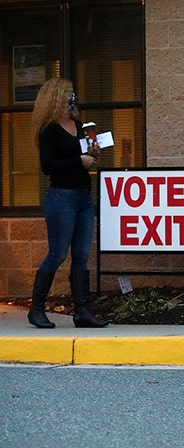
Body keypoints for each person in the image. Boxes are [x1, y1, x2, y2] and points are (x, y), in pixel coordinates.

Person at [27, 77, 108, 328]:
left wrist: (91, 153)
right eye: (69, 93)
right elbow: (48, 166)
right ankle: (36, 309)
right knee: (58, 254)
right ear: (57, 97)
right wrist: (78, 161)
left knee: (82, 255)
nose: (73, 97)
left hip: (84, 196)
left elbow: (81, 154)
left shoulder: (79, 124)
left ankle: (82, 311)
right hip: (62, 196)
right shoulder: (49, 129)